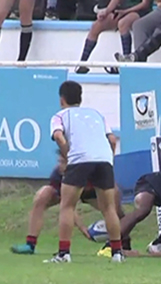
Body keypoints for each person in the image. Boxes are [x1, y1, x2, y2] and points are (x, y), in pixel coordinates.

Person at [47, 81, 124, 263]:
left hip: (80, 159)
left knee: (67, 206)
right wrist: (108, 159)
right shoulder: (96, 114)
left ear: (61, 100)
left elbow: (58, 136)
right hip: (104, 160)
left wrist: (68, 154)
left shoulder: (59, 116)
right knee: (109, 208)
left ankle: (64, 254)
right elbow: (112, 140)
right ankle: (117, 253)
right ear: (80, 99)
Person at [10, 156, 128, 255]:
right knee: (43, 195)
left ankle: (118, 244)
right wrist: (82, 228)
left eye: (64, 162)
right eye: (59, 162)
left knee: (113, 200)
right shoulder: (58, 174)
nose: (61, 166)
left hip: (92, 193)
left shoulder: (89, 169)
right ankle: (30, 244)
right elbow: (66, 204)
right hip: (70, 193)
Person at [75, 0, 153, 73]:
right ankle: (82, 63)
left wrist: (125, 12)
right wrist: (106, 11)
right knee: (96, 26)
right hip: (122, 10)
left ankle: (126, 63)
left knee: (123, 23)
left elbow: (145, 4)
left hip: (140, 11)